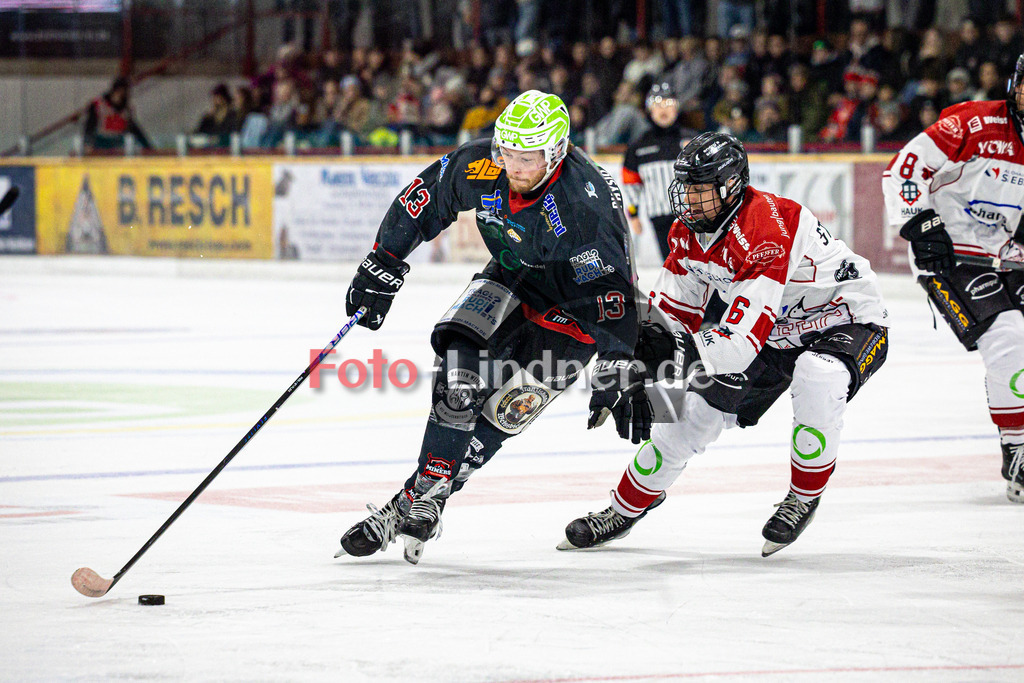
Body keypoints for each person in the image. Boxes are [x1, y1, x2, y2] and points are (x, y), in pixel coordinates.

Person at [335, 90, 651, 565]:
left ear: (557, 152)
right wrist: (383, 261)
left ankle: (411, 502)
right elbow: (425, 199)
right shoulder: (484, 163)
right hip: (510, 276)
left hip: (577, 311)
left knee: (503, 413)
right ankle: (431, 491)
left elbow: (614, 295)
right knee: (458, 376)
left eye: (528, 157)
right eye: (507, 152)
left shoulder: (585, 206)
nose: (514, 166)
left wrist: (618, 367)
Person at [559, 132, 889, 556]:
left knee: (818, 374)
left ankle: (803, 497)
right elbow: (667, 321)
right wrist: (629, 374)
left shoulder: (766, 227)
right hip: (771, 329)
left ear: (732, 185)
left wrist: (666, 361)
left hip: (844, 318)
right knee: (691, 416)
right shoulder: (686, 232)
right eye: (687, 188)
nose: (690, 200)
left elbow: (737, 345)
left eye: (701, 189)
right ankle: (623, 509)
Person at [883, 55, 1024, 504]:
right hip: (950, 252)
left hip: (1009, 254)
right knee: (1009, 336)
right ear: (1013, 86)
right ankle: (1018, 449)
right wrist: (919, 223)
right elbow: (906, 165)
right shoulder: (974, 123)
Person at [622, 82, 695, 262]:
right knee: (674, 267)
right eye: (658, 104)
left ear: (677, 108)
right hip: (660, 218)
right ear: (649, 110)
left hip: (693, 215)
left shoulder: (692, 140)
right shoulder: (638, 146)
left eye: (668, 104)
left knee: (700, 266)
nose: (663, 109)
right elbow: (631, 185)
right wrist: (633, 214)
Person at [83, 77, 152, 152]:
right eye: (120, 92)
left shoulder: (126, 109)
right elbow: (89, 126)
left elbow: (134, 129)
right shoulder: (99, 105)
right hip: (100, 142)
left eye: (124, 93)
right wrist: (87, 143)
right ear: (115, 91)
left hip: (118, 142)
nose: (121, 95)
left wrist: (147, 147)